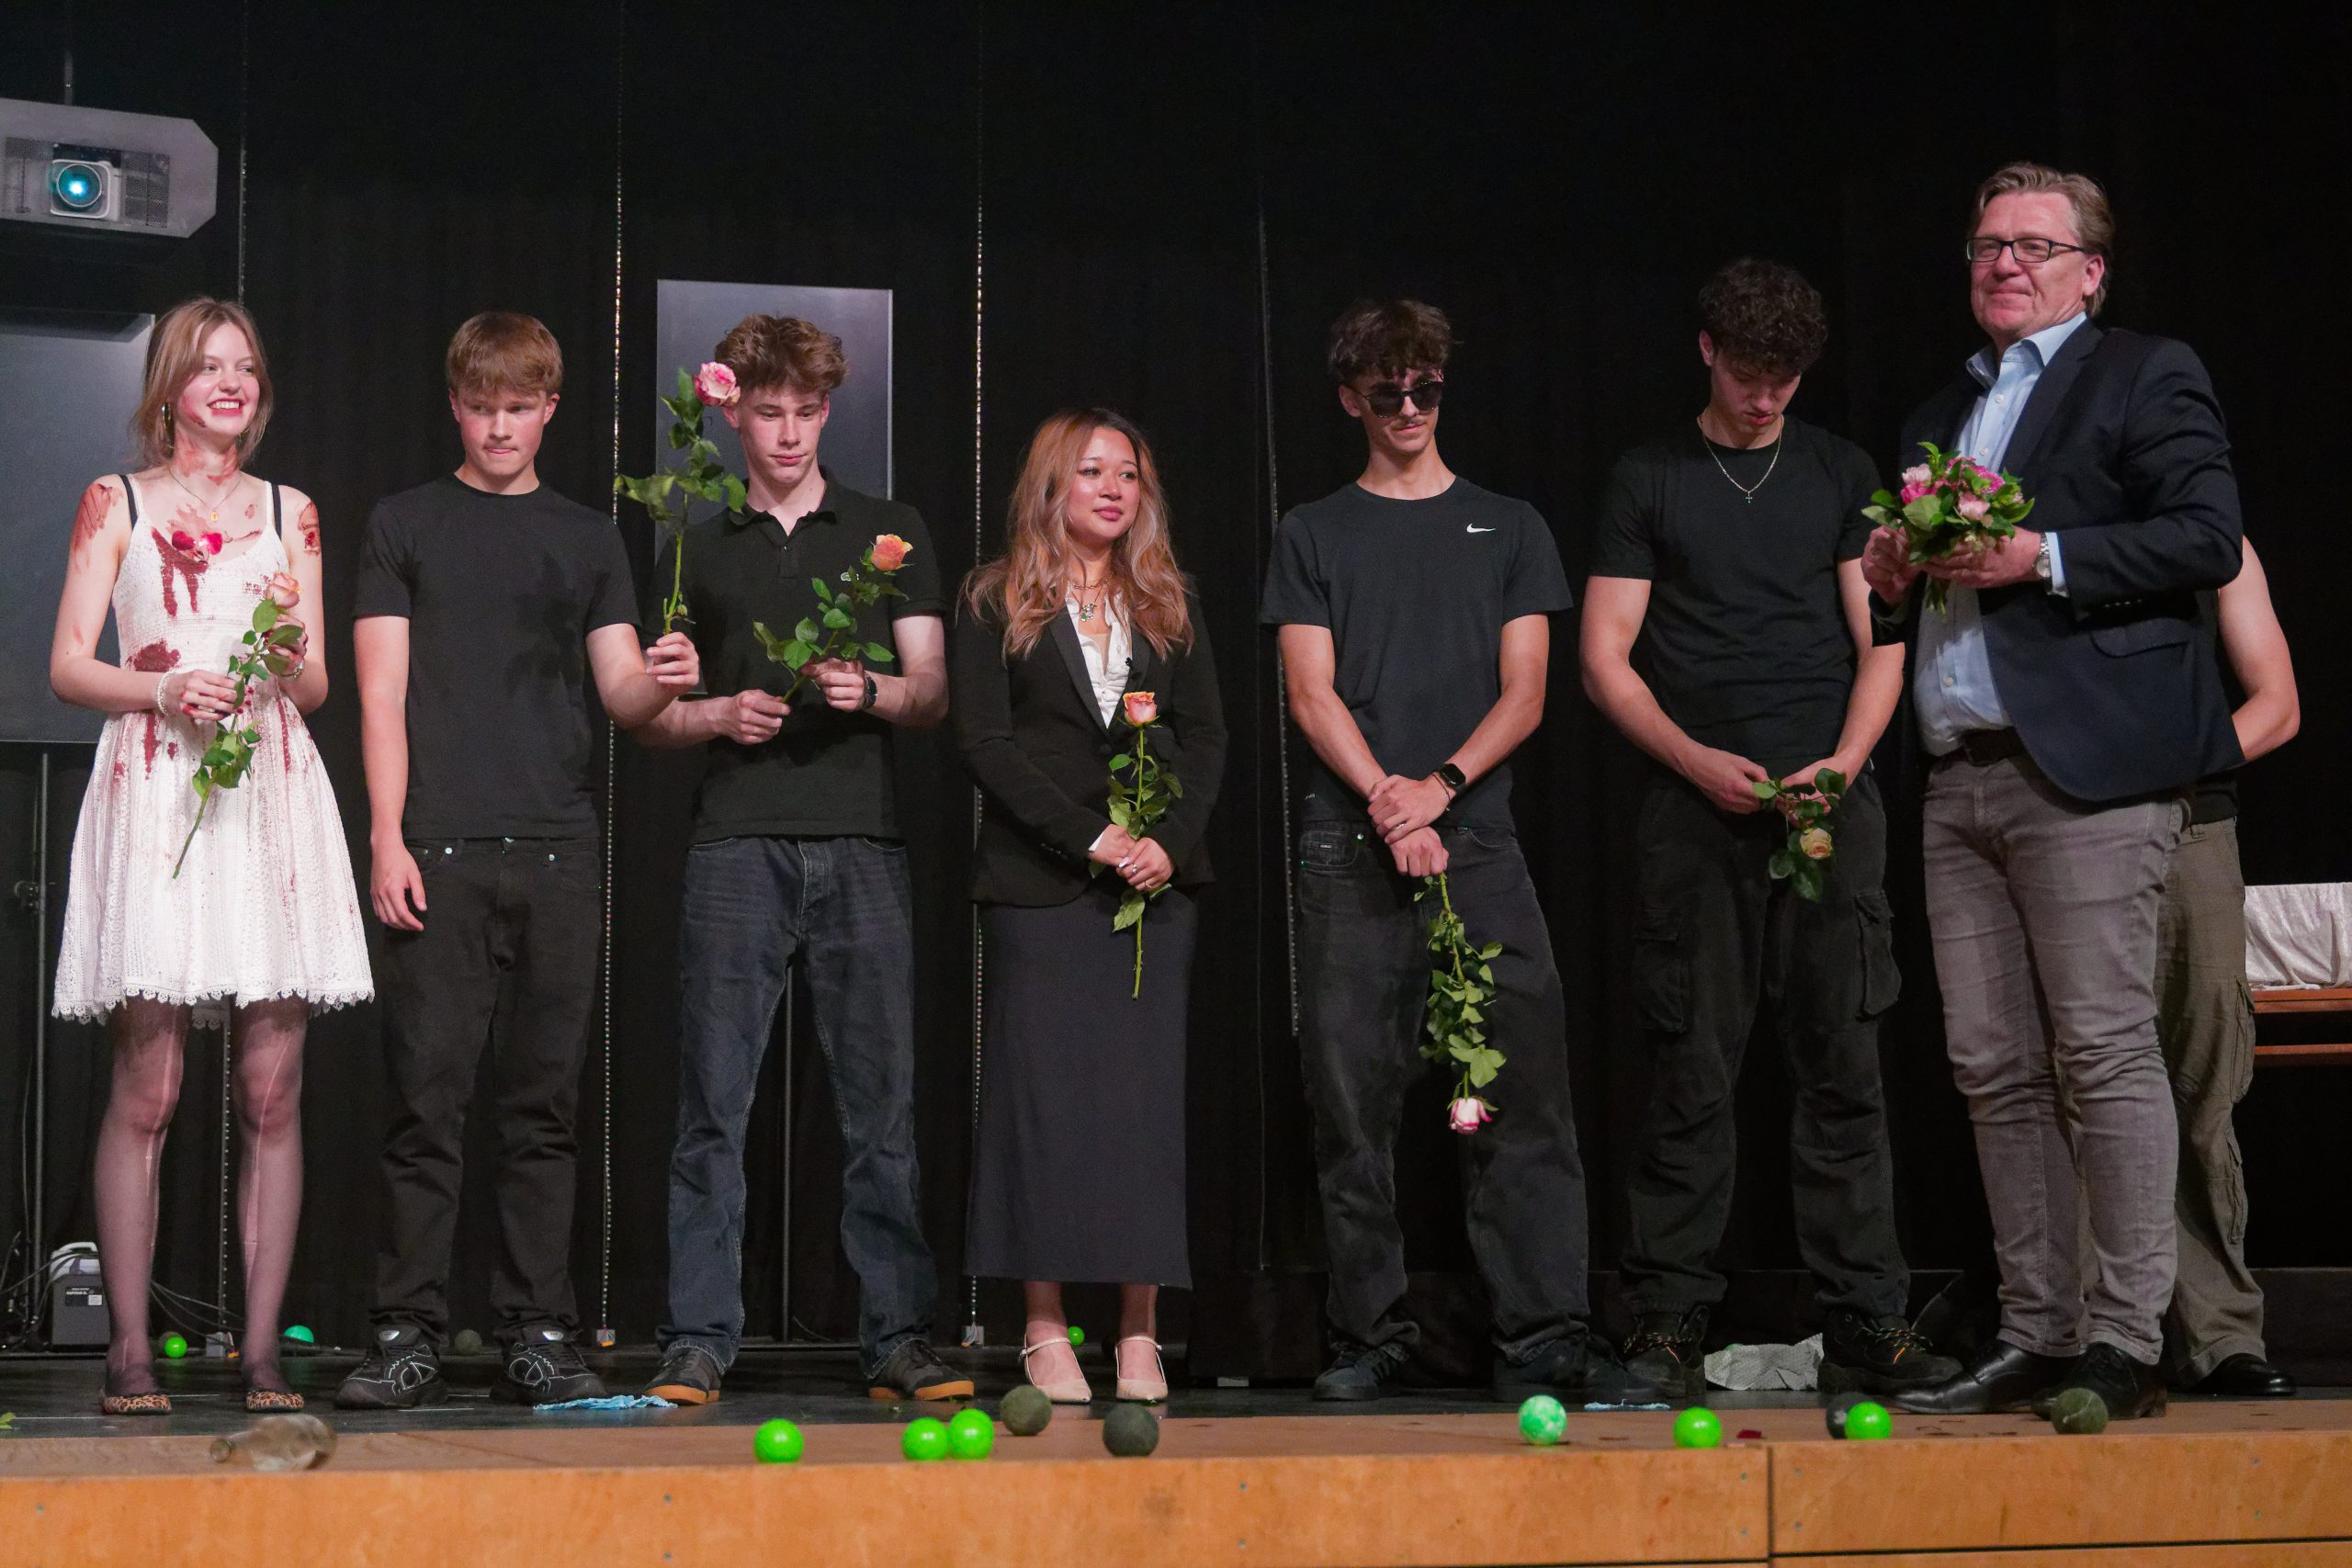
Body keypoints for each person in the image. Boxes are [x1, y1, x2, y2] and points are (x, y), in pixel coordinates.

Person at [1863, 164, 2244, 1418]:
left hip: (2086, 768)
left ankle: (2125, 1340)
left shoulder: (2141, 373)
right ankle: (2037, 1327)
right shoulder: (1941, 413)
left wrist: (2046, 555)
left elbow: (2205, 535)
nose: (2004, 263)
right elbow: (1919, 602)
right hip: (1959, 773)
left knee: (2103, 1049)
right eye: (1987, 245)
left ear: (2091, 270)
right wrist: (1889, 578)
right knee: (1993, 1066)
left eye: (2032, 245)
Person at [1581, 259, 1957, 1401]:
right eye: (1749, 375)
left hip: (1827, 805)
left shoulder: (1838, 469)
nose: (1765, 399)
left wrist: (1842, 766)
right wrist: (1694, 761)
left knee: (1844, 1066)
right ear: (1707, 351)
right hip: (1694, 813)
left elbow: (1881, 638)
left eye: (1785, 380)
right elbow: (1604, 658)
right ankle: (1664, 1326)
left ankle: (1868, 1323)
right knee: (1689, 1071)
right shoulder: (1649, 475)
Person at [1262, 298, 1631, 1404]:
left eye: (1425, 388)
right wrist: (1389, 802)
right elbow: (1309, 692)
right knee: (1352, 1100)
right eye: (1388, 393)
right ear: (1351, 400)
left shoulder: (1508, 525)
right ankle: (1369, 1334)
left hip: (1474, 838)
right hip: (1351, 844)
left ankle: (1543, 1334)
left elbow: (1527, 691)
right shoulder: (1313, 531)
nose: (1410, 408)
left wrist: (1440, 790)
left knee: (1520, 1091)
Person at [335, 312, 698, 1409]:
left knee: (542, 1110)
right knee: (425, 1103)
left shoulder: (588, 538)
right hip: (439, 846)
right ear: (456, 405)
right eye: (482, 406)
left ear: (550, 409)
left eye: (519, 407)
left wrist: (666, 680)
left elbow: (622, 692)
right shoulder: (404, 523)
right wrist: (387, 836)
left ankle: (537, 1328)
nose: (499, 427)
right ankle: (405, 1330)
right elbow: (381, 694)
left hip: (556, 850)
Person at [635, 314, 965, 1406]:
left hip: (861, 838)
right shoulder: (696, 541)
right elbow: (651, 716)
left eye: (806, 412)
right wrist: (716, 712)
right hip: (735, 838)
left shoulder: (887, 529)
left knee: (880, 1107)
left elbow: (932, 691)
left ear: (829, 411)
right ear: (734, 414)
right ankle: (698, 1338)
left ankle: (898, 1336)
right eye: (768, 412)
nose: (787, 433)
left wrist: (870, 690)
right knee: (712, 1103)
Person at [51, 297, 372, 1415]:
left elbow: (315, 684)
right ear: (171, 384)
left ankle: (263, 1354)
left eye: (245, 366)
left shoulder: (294, 511)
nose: (231, 382)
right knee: (150, 1084)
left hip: (266, 786)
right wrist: (163, 688)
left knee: (272, 1088)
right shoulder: (118, 499)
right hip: (157, 780)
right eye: (209, 365)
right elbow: (67, 665)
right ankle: (129, 1350)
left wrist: (280, 650)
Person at [953, 410, 1227, 1404]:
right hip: (1042, 890)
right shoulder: (994, 600)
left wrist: (1166, 842)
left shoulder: (1168, 602)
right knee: (1047, 1108)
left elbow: (1206, 738)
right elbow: (986, 745)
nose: (1113, 489)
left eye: (1128, 475)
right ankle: (1042, 1324)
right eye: (1092, 472)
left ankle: (1140, 1332)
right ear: (1051, 486)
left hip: (1154, 892)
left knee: (1139, 1111)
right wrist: (1091, 837)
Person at [2157, 539, 2298, 1397]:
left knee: (2202, 1081)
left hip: (2190, 819)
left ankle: (2218, 1336)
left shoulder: (2213, 539)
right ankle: (2085, 1330)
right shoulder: (2038, 530)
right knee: (2072, 1081)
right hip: (2066, 823)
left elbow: (2277, 703)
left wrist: (2165, 765)